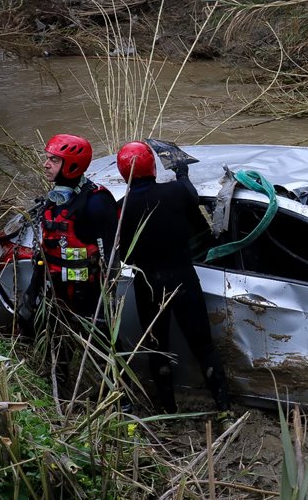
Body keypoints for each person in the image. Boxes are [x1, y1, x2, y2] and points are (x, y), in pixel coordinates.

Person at [115, 140, 232, 421]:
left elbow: (123, 257)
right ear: (154, 167)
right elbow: (198, 221)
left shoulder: (121, 209)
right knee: (203, 346)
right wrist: (182, 173)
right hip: (183, 279)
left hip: (149, 286)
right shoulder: (177, 191)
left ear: (122, 174)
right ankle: (224, 410)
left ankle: (168, 412)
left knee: (157, 349)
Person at [20, 134, 118, 388]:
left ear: (72, 165)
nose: (45, 164)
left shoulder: (97, 202)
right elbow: (45, 250)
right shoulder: (56, 199)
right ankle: (59, 390)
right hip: (57, 291)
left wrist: (110, 299)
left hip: (88, 294)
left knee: (101, 347)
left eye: (53, 160)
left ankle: (118, 398)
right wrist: (34, 289)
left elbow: (113, 254)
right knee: (57, 343)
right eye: (47, 158)